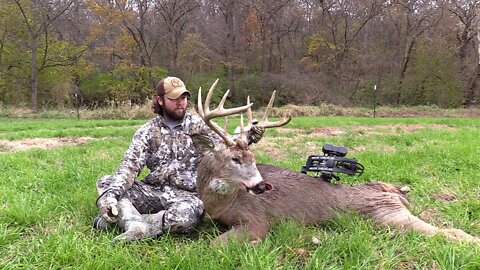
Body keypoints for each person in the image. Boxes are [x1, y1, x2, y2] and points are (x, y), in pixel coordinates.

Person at [93, 76, 263, 243]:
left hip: (187, 196)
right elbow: (129, 167)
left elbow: (227, 148)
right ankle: (134, 223)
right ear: (160, 100)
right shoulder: (148, 131)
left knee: (185, 217)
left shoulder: (200, 126)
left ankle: (127, 222)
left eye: (184, 97)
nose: (181, 102)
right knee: (107, 183)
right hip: (152, 191)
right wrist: (112, 197)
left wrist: (249, 136)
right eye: (174, 98)